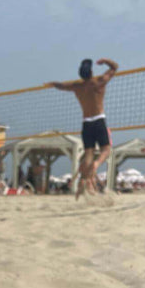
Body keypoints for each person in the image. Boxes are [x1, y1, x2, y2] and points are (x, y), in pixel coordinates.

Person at [50, 57, 118, 199]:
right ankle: (96, 164)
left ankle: (85, 182)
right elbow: (114, 67)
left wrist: (53, 84)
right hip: (99, 120)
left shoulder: (77, 86)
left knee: (88, 154)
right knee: (106, 150)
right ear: (91, 71)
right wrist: (105, 61)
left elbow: (61, 86)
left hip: (86, 123)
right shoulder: (99, 81)